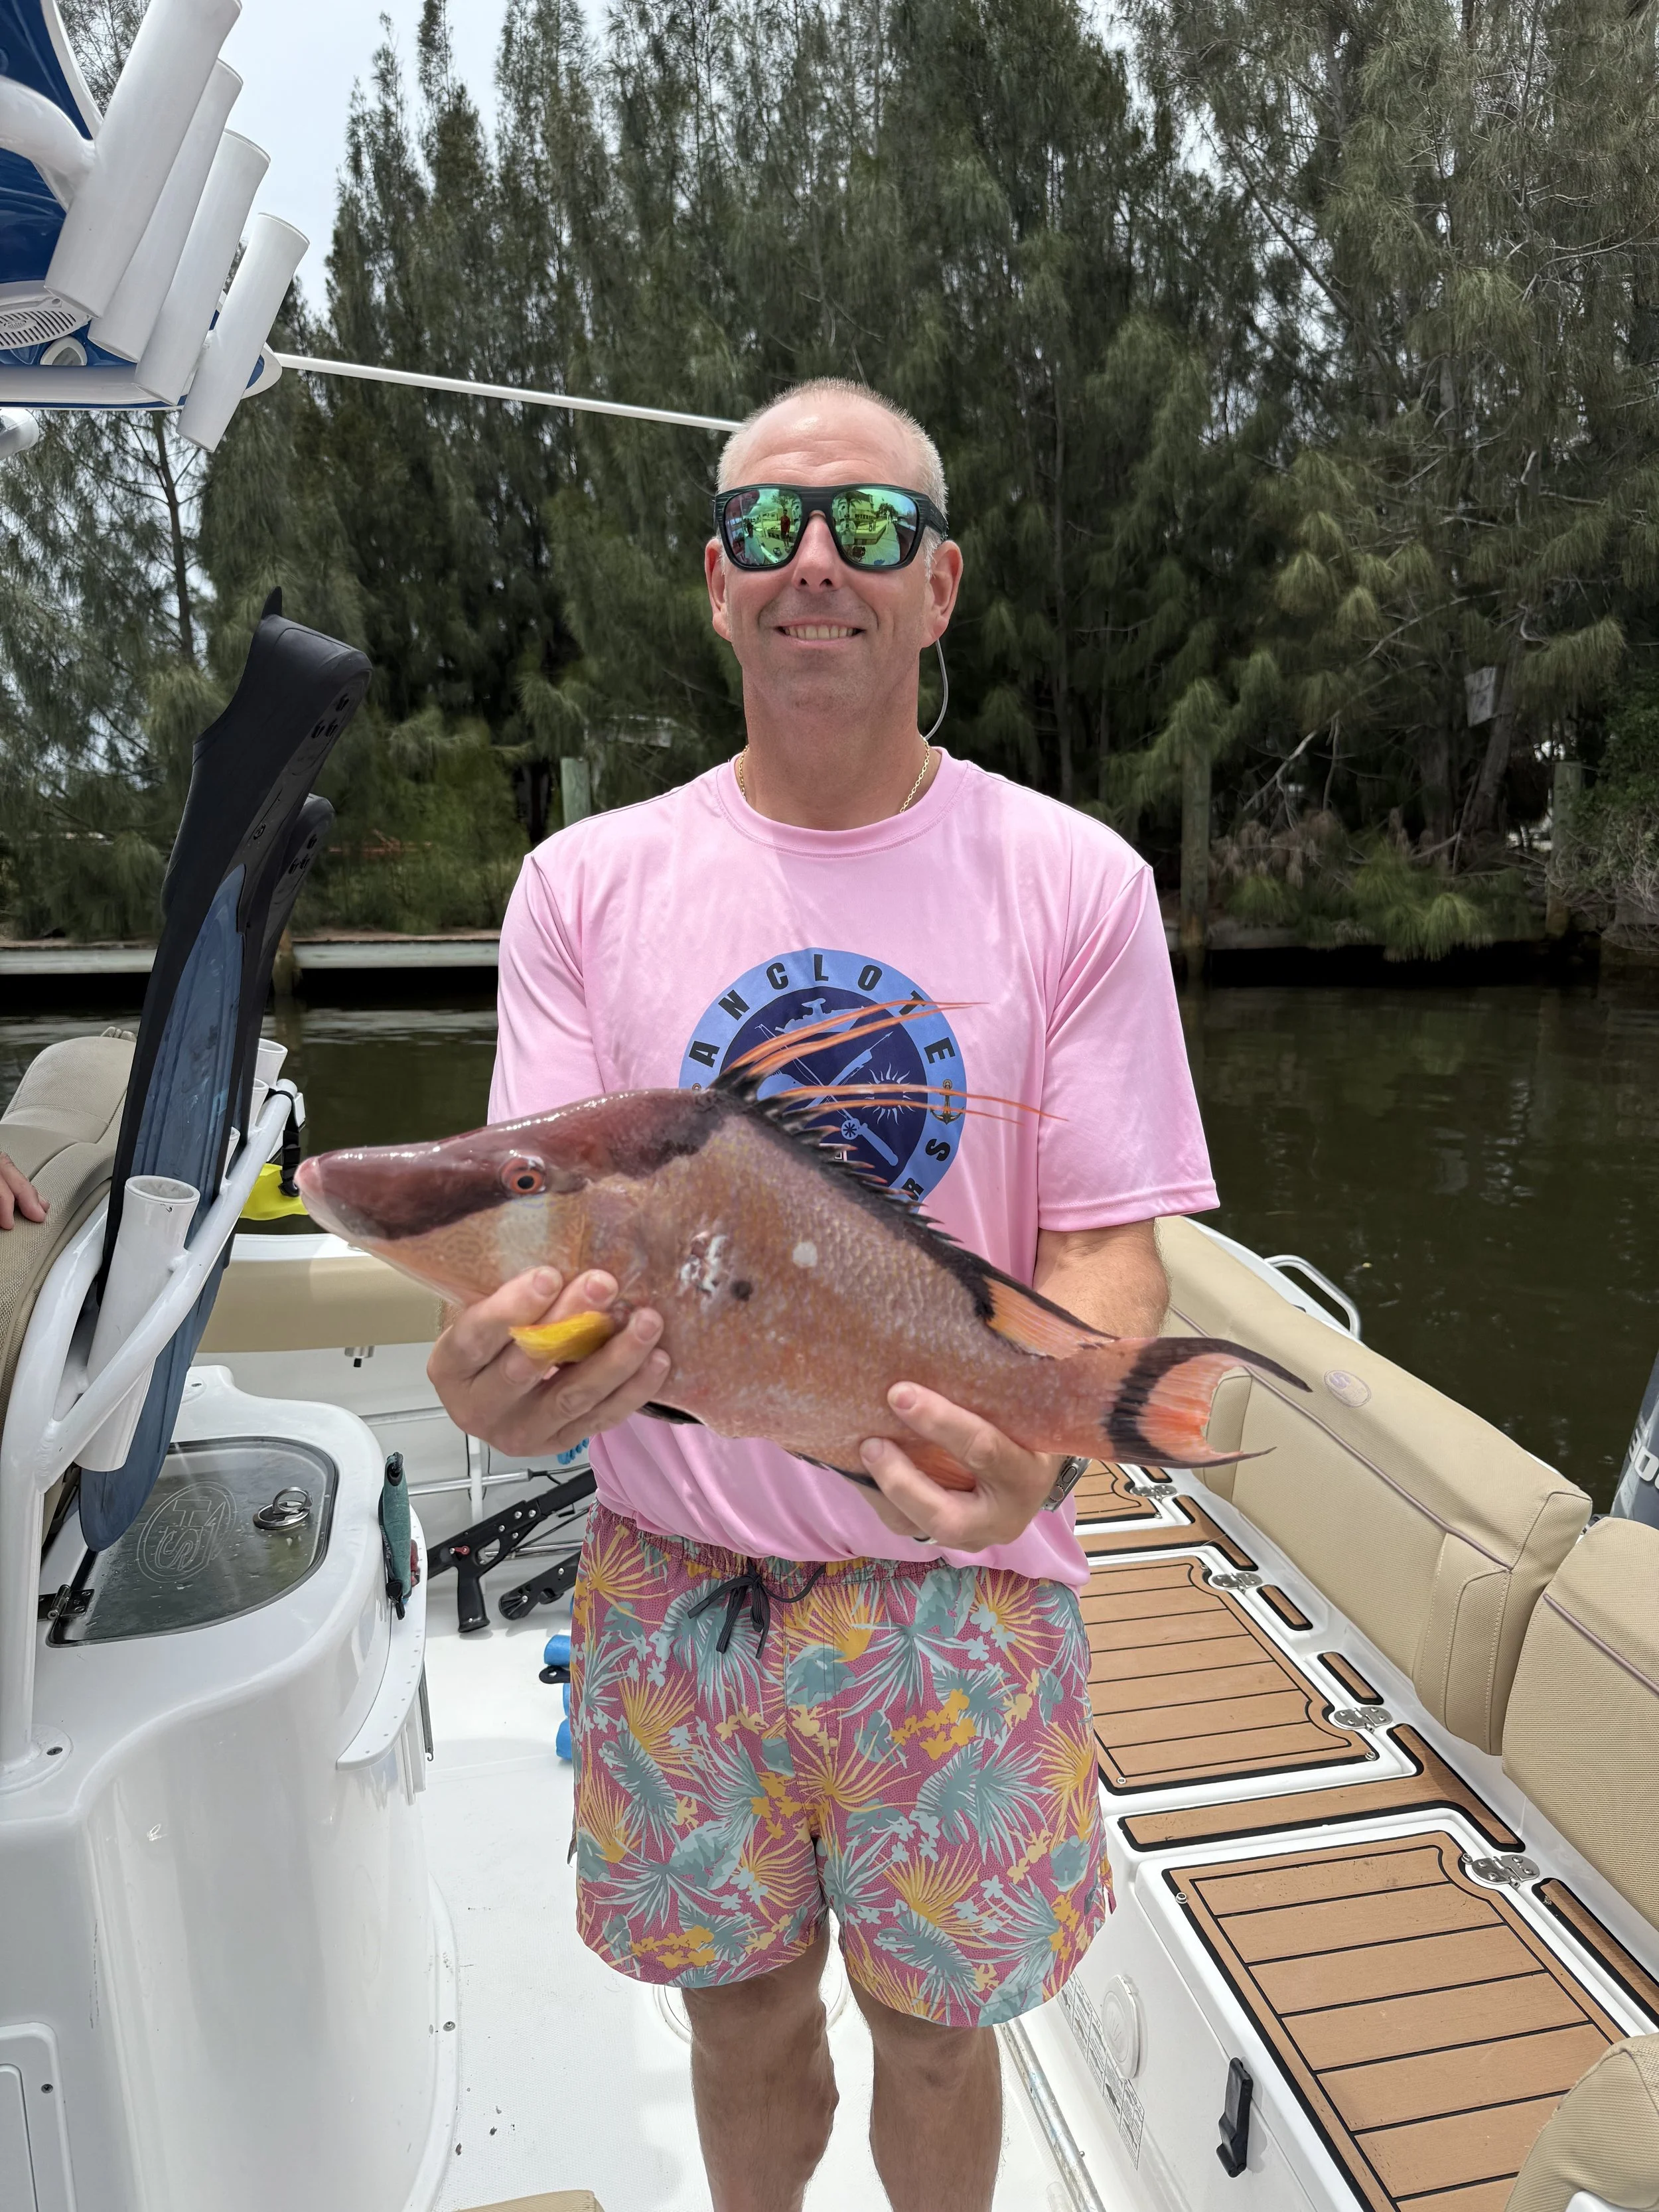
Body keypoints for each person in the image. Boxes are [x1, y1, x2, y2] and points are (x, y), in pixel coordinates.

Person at [451, 378, 1218, 2212]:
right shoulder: (578, 887)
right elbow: (544, 1238)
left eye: (868, 527)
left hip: (961, 1585)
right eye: (767, 528)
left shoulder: (1078, 884)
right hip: (673, 1580)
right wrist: (499, 1375)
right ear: (715, 583)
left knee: (940, 2034)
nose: (815, 562)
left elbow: (1110, 1239)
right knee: (735, 2018)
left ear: (937, 587)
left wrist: (1047, 1453)